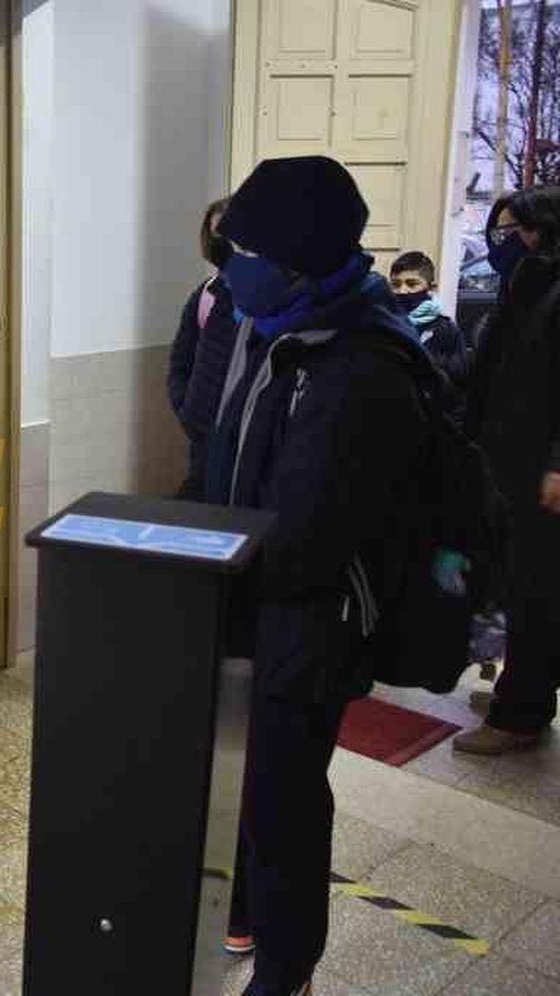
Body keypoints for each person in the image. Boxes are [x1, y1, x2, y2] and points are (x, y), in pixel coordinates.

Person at [205, 156, 429, 996]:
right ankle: (250, 911)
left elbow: (314, 537)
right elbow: (223, 455)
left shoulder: (364, 365)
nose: (230, 271)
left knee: (286, 799)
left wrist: (220, 563)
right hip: (249, 602)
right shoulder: (278, 333)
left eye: (243, 253)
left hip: (309, 623)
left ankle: (287, 970)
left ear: (297, 261)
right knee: (249, 782)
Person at [453, 186, 560, 755]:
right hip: (506, 464)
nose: (497, 242)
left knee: (537, 594)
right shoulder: (521, 290)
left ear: (542, 231)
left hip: (541, 475)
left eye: (509, 229)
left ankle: (519, 716)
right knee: (517, 588)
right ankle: (523, 693)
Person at [167, 198, 238, 499]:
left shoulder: (269, 299)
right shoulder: (206, 295)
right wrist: (190, 412)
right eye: (216, 234)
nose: (224, 243)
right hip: (205, 440)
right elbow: (180, 363)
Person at [389, 251, 470, 404]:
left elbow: (458, 382)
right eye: (396, 284)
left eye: (412, 284)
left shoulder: (445, 330)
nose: (402, 291)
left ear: (430, 288)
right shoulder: (384, 326)